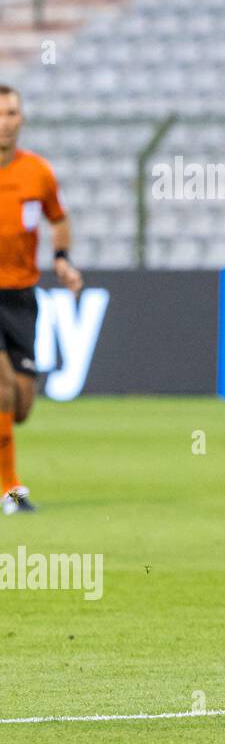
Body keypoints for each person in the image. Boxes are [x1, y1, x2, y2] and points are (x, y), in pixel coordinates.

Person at [0, 84, 84, 515]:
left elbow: (59, 218)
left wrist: (63, 259)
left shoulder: (38, 172)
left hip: (20, 296)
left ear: (22, 119)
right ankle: (11, 491)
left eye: (12, 112)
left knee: (21, 406)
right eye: (0, 113)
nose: (5, 121)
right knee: (2, 391)